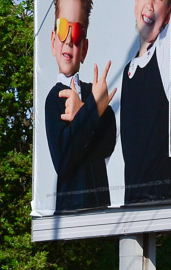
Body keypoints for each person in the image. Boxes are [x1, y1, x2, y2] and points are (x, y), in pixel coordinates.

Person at [45, 0, 117, 212]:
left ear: (84, 49)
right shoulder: (54, 98)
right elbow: (63, 159)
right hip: (71, 214)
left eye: (76, 33)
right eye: (62, 29)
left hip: (101, 209)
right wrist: (90, 110)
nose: (68, 40)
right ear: (53, 42)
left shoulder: (90, 93)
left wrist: (84, 108)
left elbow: (108, 144)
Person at [120, 0, 171, 205]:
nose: (150, 6)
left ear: (168, 16)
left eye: (159, 0)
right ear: (135, 5)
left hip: (160, 200)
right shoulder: (127, 71)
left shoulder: (164, 50)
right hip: (131, 203)